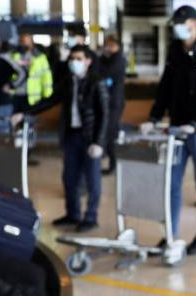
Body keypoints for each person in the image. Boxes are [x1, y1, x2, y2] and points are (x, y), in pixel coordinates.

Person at [142, 5, 196, 255]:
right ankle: (171, 235)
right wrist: (155, 116)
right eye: (175, 23)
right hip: (177, 128)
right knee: (172, 183)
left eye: (182, 22)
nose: (177, 27)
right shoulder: (175, 53)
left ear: (195, 24)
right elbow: (166, 87)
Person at [14, 45, 109, 232]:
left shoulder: (96, 82)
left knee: (92, 180)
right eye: (72, 58)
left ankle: (91, 217)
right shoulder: (68, 82)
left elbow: (105, 115)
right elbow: (49, 101)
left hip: (90, 138)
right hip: (71, 136)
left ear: (88, 61)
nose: (74, 62)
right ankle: (72, 214)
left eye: (79, 59)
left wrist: (98, 142)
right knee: (69, 178)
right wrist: (25, 113)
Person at [93, 34, 127, 174]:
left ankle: (113, 164)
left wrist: (98, 58)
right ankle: (110, 160)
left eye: (110, 45)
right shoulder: (109, 58)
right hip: (109, 101)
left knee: (110, 133)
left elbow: (103, 72)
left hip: (114, 102)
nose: (107, 47)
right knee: (109, 132)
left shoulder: (118, 59)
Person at [9, 33, 54, 113]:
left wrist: (47, 93)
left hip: (32, 96)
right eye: (22, 41)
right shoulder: (14, 56)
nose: (24, 43)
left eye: (26, 41)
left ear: (32, 43)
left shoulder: (40, 57)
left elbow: (46, 76)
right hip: (15, 94)